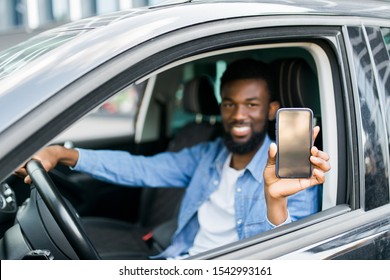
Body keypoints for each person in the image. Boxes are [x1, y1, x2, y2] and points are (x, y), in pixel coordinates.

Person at [15, 58, 331, 259]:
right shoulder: (208, 155)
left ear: (272, 109)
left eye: (251, 104)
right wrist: (61, 153)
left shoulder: (290, 171)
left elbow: (292, 255)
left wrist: (274, 202)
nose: (238, 116)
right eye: (229, 104)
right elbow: (140, 169)